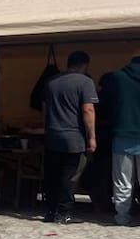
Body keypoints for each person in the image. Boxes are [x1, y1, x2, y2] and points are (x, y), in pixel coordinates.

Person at [42, 51, 97, 224]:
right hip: (74, 137)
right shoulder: (85, 82)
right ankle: (64, 212)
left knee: (52, 175)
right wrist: (92, 137)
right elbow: (88, 110)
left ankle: (50, 210)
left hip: (52, 134)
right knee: (69, 176)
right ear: (84, 65)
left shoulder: (51, 82)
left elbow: (44, 108)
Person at [101, 56, 140, 225]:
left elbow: (103, 102)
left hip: (122, 133)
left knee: (123, 180)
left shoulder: (117, 77)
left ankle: (122, 217)